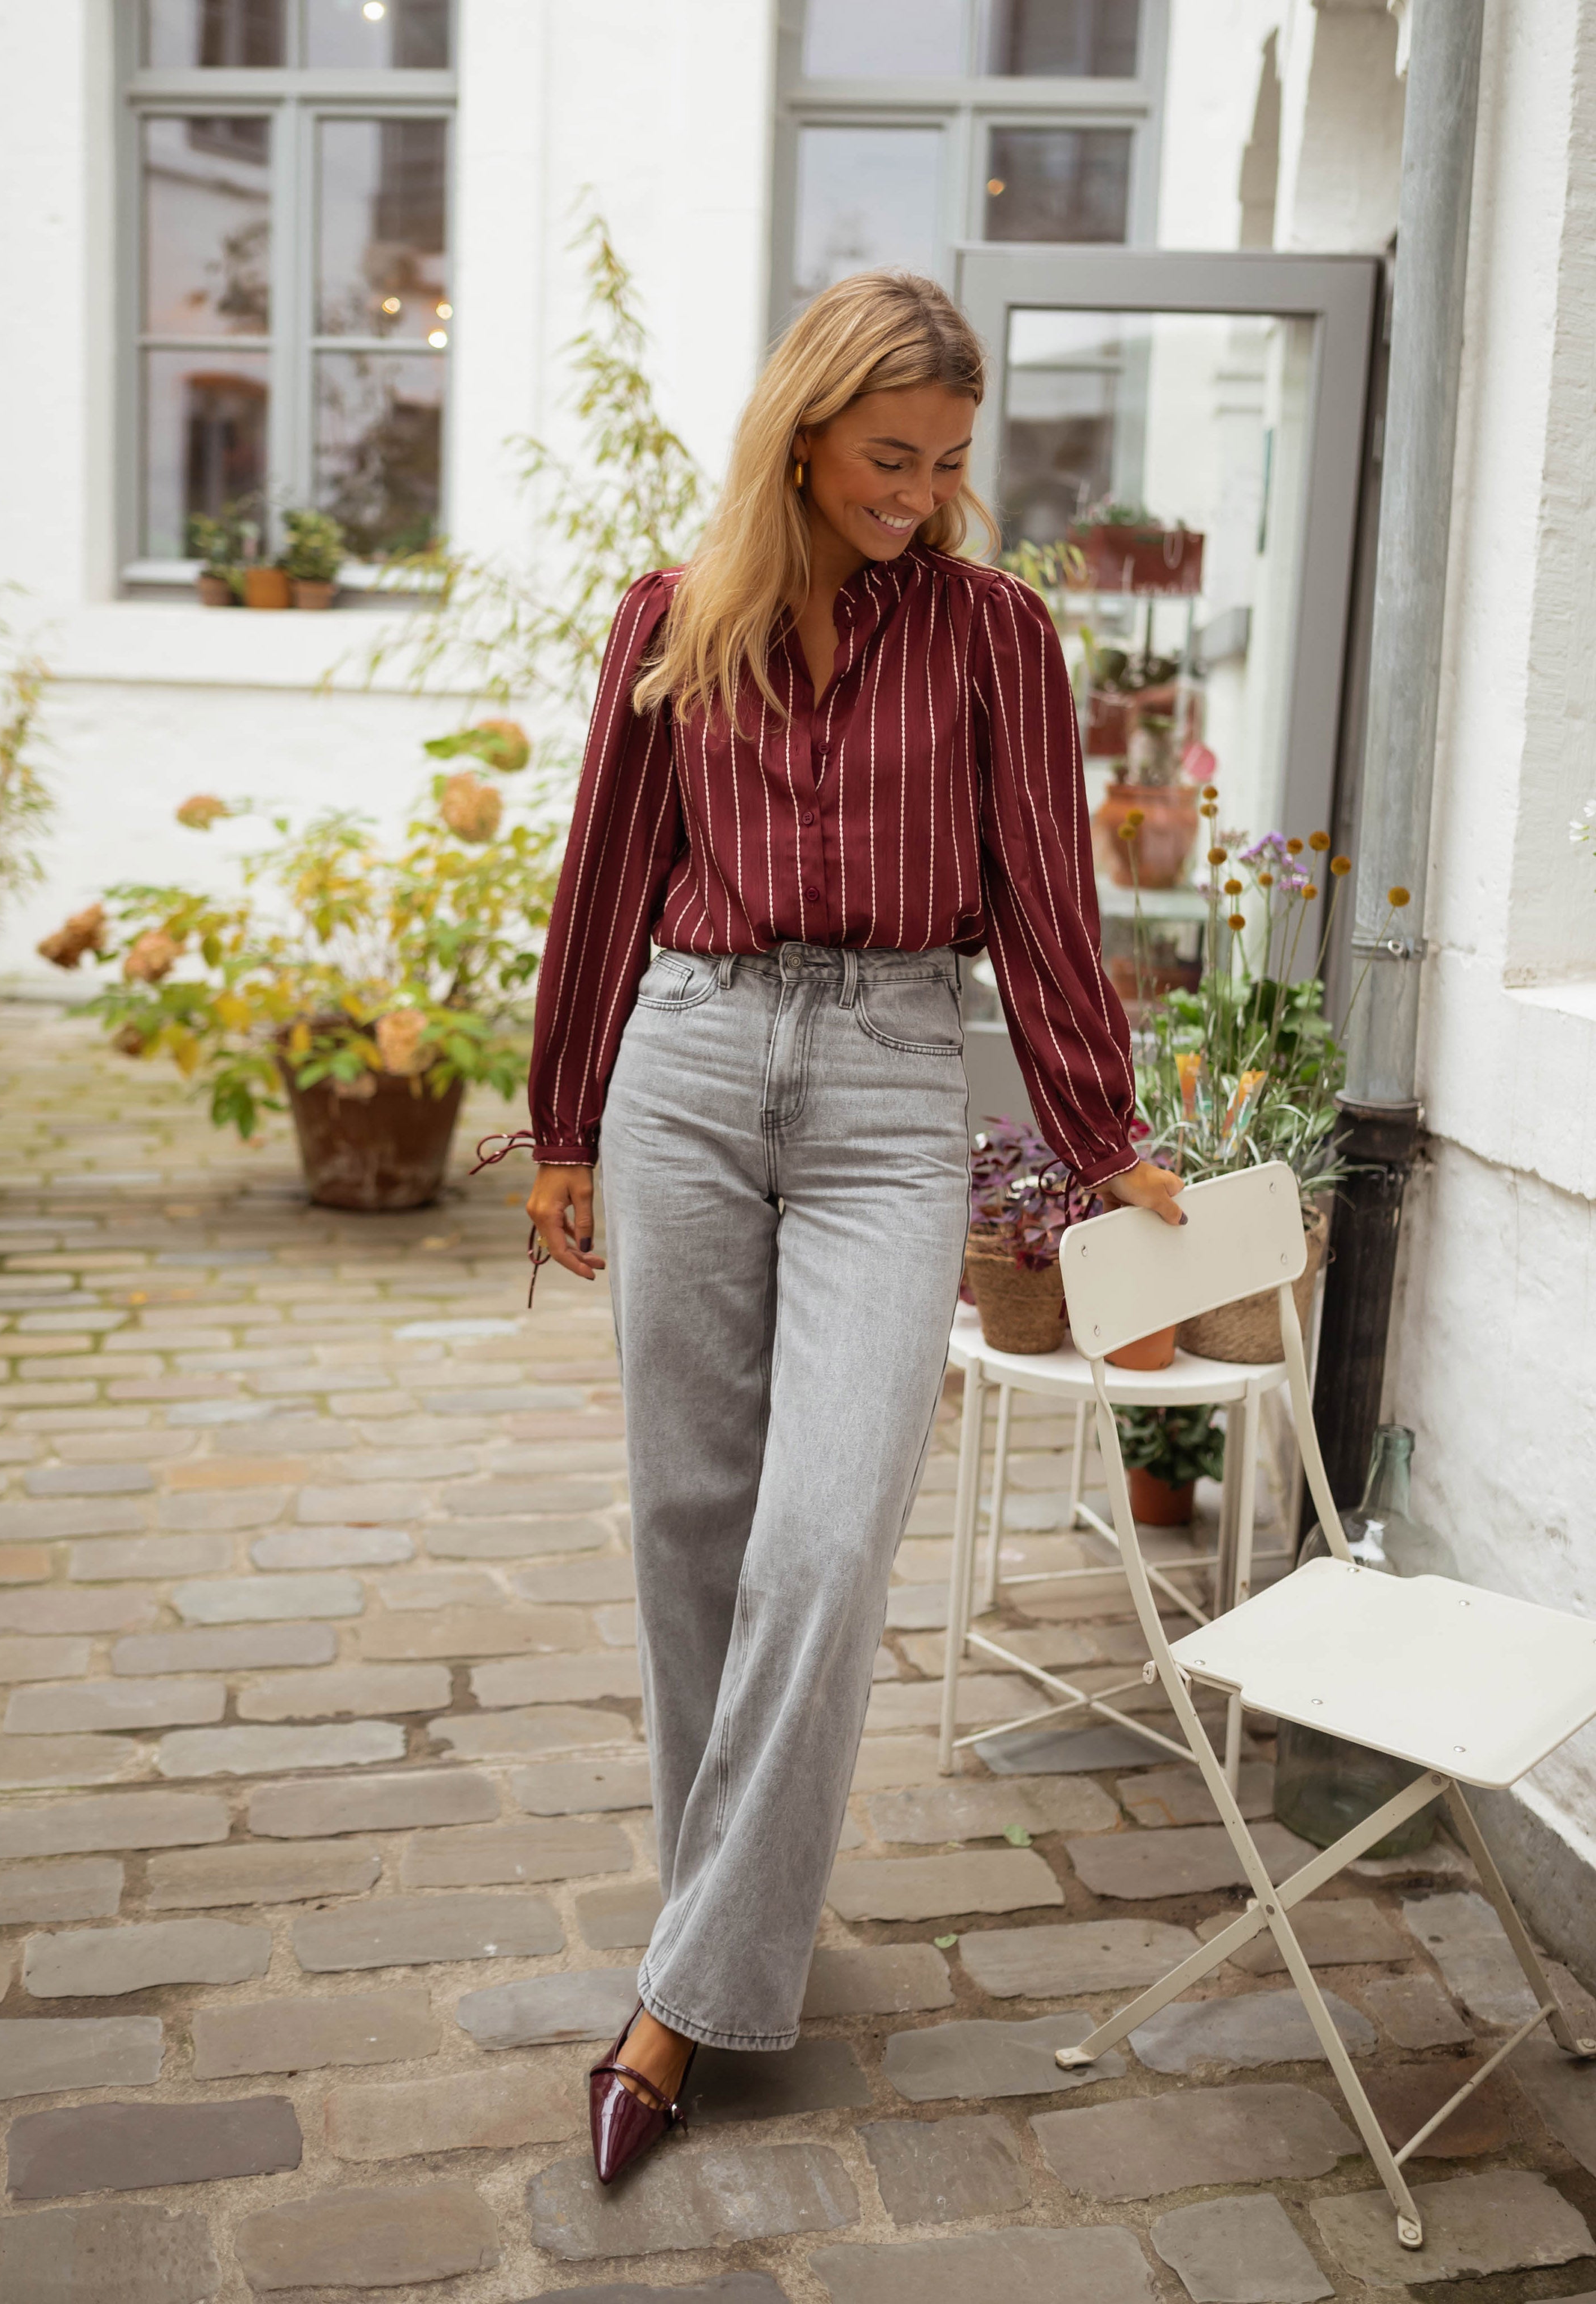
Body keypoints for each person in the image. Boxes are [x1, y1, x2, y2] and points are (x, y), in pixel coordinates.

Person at [516, 270, 1184, 2183]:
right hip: (693, 1066)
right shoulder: (672, 620)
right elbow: (605, 886)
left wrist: (1096, 1131)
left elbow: (1050, 894)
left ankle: (673, 2006)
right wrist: (563, 1124)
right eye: (890, 457)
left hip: (897, 1083)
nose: (921, 492)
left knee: (823, 1539)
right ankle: (727, 1930)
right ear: (800, 433)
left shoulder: (995, 637)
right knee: (690, 1527)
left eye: (949, 461)